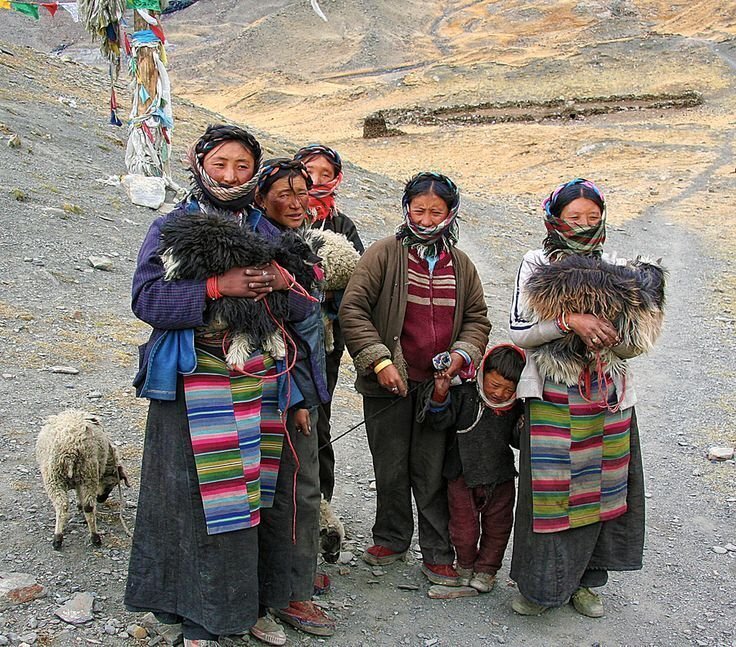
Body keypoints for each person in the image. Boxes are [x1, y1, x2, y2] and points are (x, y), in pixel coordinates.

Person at [125, 126, 316, 647]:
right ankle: (198, 614)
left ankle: (251, 606)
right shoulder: (173, 226)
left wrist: (282, 283)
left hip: (258, 386)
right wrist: (215, 288)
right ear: (199, 163)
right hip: (194, 384)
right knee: (197, 501)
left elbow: (304, 306)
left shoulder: (268, 230)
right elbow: (145, 301)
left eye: (241, 165)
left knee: (254, 500)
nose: (230, 176)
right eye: (220, 164)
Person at [508, 178, 665, 618]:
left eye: (592, 219)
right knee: (551, 496)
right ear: (554, 218)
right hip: (553, 395)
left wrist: (613, 340)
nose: (582, 226)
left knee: (601, 491)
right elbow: (519, 332)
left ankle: (585, 583)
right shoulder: (536, 263)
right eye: (574, 218)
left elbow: (636, 345)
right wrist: (568, 322)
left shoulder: (618, 268)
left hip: (606, 395)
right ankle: (540, 588)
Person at [340, 172, 491, 586]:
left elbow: (477, 318)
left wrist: (460, 355)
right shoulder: (383, 254)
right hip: (388, 383)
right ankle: (390, 537)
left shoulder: (460, 264)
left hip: (438, 388)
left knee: (431, 470)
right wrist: (379, 362)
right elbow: (354, 311)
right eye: (418, 209)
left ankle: (437, 551)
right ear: (406, 208)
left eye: (435, 211)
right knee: (390, 465)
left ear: (451, 212)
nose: (426, 219)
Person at [248, 158, 337, 639]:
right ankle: (287, 594)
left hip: (301, 382)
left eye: (303, 191)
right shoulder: (259, 247)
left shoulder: (292, 241)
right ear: (261, 197)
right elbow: (276, 327)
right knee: (293, 489)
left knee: (297, 484)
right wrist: (300, 397)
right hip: (282, 387)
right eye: (284, 192)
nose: (298, 200)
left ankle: (291, 581)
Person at [293, 144, 364, 504]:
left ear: (337, 178)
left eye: (325, 173)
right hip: (282, 337)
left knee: (317, 415)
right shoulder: (282, 213)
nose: (317, 181)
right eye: (309, 172)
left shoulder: (341, 226)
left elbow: (358, 281)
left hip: (325, 343)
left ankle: (320, 503)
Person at [428, 344, 525, 593]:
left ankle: (487, 570)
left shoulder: (517, 407)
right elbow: (440, 421)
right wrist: (440, 394)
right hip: (462, 475)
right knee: (463, 527)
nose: (500, 394)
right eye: (494, 385)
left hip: (500, 476)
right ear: (483, 374)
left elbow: (517, 441)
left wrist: (525, 424)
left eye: (508, 389)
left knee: (498, 527)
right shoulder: (466, 394)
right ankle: (466, 565)